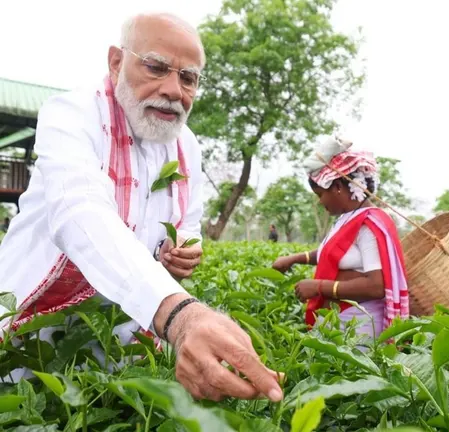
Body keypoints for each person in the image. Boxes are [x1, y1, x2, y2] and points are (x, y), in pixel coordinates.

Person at [0, 13, 284, 402]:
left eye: (188, 78)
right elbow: (80, 211)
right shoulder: (73, 114)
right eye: (156, 67)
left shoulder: (187, 146)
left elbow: (188, 223)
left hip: (124, 336)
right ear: (117, 62)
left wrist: (183, 249)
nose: (173, 89)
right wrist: (180, 313)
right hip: (34, 334)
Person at [272, 137, 408, 341]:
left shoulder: (368, 224)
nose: (320, 202)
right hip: (344, 323)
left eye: (320, 194)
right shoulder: (348, 219)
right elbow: (334, 254)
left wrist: (318, 287)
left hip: (361, 327)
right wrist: (294, 258)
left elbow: (376, 286)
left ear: (337, 186)